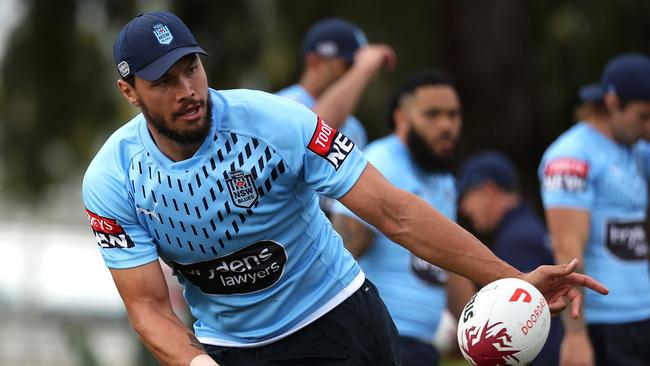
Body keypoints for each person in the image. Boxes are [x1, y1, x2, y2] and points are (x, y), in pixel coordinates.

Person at [82, 11, 607, 366]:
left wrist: (512, 279)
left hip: (335, 318)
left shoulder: (279, 123)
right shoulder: (112, 180)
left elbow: (394, 212)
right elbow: (149, 307)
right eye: (164, 82)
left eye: (190, 68)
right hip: (230, 346)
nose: (188, 90)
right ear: (129, 92)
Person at [330, 70, 474, 366]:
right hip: (378, 341)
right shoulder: (380, 163)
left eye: (453, 115)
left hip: (421, 345)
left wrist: (474, 328)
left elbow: (451, 263)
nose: (446, 125)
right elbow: (339, 252)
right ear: (401, 118)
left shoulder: (444, 180)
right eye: (432, 115)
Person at [539, 53, 650, 366]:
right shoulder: (571, 156)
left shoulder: (638, 149)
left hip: (644, 312)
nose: (649, 126)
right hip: (606, 322)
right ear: (612, 101)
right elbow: (566, 248)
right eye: (643, 116)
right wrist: (576, 335)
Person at [276, 18, 395, 216]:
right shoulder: (282, 103)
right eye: (348, 65)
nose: (355, 75)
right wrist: (362, 69)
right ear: (314, 61)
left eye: (358, 67)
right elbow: (309, 134)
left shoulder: (354, 127)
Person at [457, 150, 562, 366]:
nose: (464, 208)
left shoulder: (516, 240)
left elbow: (523, 322)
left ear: (488, 190)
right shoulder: (531, 227)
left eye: (467, 196)